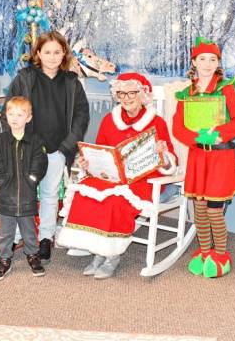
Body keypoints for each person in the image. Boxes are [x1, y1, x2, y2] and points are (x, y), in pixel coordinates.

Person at [56, 73, 178, 279]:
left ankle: (111, 255)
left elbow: (171, 161)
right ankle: (97, 251)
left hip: (144, 179)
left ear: (143, 94)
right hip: (112, 176)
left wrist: (162, 154)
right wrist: (87, 163)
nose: (127, 97)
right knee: (85, 195)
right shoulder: (109, 120)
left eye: (132, 92)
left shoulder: (156, 122)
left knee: (114, 200)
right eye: (122, 93)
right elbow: (100, 152)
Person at [3, 30, 90, 262]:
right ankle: (17, 237)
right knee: (24, 194)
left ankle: (45, 239)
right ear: (38, 53)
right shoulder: (25, 78)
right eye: (47, 52)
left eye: (57, 52)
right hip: (29, 149)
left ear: (64, 55)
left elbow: (81, 116)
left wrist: (67, 145)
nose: (52, 57)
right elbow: (8, 111)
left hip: (57, 149)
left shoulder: (72, 82)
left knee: (51, 194)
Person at [172, 37, 235, 278]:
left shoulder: (226, 88)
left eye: (212, 59)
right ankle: (205, 252)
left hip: (220, 157)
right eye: (202, 59)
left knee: (215, 209)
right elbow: (178, 127)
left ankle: (221, 253)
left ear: (218, 63)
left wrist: (217, 135)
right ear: (194, 62)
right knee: (200, 208)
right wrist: (197, 139)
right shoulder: (187, 93)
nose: (207, 63)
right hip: (198, 157)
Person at [0, 96, 49, 280]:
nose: (15, 118)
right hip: (6, 195)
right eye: (11, 113)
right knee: (6, 231)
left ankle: (32, 255)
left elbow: (40, 161)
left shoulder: (35, 141)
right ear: (5, 115)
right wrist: (0, 178)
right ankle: (4, 259)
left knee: (29, 230)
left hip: (27, 195)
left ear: (28, 118)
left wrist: (32, 178)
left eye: (20, 114)